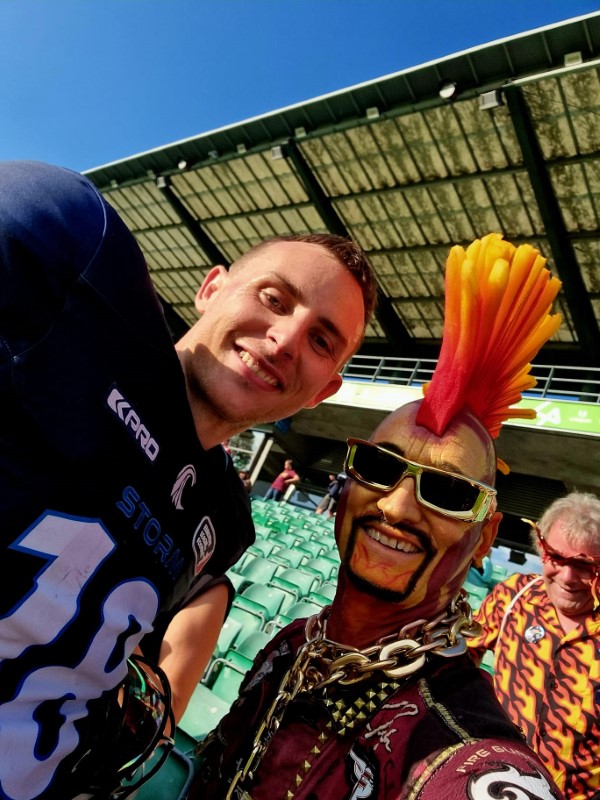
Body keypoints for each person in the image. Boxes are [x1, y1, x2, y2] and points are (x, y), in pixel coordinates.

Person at [0, 160, 377, 800]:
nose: (285, 339)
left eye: (321, 341)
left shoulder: (222, 521)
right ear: (211, 288)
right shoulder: (75, 262)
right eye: (274, 298)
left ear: (324, 391)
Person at [191, 233, 565, 799]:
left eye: (448, 491)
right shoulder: (292, 644)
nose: (396, 505)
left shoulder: (464, 753)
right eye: (379, 466)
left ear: (486, 534)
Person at [468, 492, 600, 799]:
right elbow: (459, 661)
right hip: (497, 782)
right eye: (557, 558)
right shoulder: (513, 597)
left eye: (584, 566)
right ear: (541, 548)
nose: (567, 577)